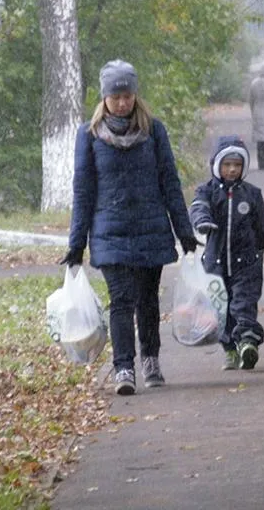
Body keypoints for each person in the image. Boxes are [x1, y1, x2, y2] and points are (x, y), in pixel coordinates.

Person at [59, 59, 199, 396]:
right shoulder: (89, 136)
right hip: (110, 230)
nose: (122, 103)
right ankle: (124, 366)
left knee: (148, 299)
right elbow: (83, 191)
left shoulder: (154, 130)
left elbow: (169, 182)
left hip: (151, 228)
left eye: (127, 96)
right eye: (116, 96)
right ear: (104, 98)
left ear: (135, 96)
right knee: (121, 299)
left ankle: (150, 359)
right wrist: (76, 244)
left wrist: (185, 233)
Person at [189, 135, 264, 371]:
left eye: (237, 165)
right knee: (220, 309)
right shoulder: (207, 192)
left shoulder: (252, 194)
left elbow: (261, 226)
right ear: (216, 165)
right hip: (216, 262)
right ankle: (230, 350)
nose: (232, 170)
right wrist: (203, 221)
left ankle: (247, 343)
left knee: (243, 304)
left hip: (246, 263)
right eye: (227, 165)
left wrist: (258, 250)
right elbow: (198, 208)